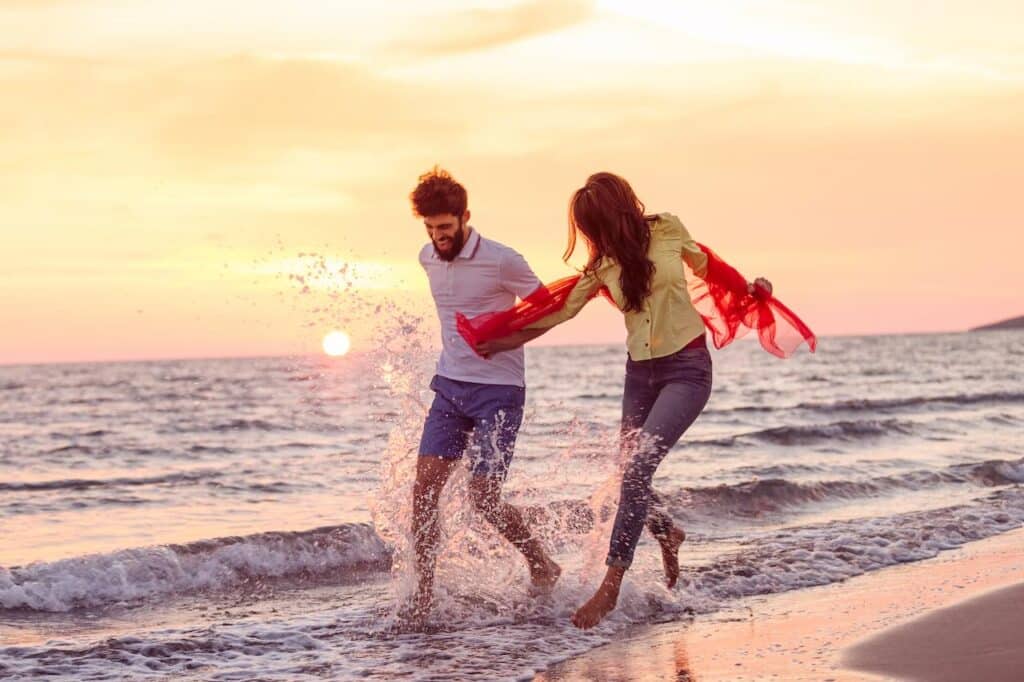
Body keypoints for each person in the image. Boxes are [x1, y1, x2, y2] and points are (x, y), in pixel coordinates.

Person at [474, 172, 776, 629]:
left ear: (619, 211)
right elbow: (558, 313)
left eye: (597, 226)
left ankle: (610, 587)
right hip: (640, 374)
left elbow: (709, 267)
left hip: (688, 371)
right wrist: (504, 341)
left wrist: (749, 292)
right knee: (627, 471)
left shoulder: (669, 228)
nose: (597, 238)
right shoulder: (602, 267)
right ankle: (667, 532)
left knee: (636, 469)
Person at [403, 167, 561, 625]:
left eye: (445, 228)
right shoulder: (426, 257)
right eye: (430, 229)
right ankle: (423, 596)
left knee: (483, 496)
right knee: (423, 490)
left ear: (465, 217)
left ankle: (542, 563)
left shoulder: (502, 260)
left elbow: (549, 310)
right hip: (449, 387)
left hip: (499, 392)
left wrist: (509, 341)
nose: (438, 237)